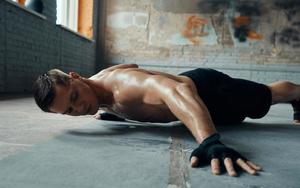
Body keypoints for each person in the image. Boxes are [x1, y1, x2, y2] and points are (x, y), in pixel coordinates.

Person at [33, 64, 300, 177]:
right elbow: (132, 64)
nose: (79, 108)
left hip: (212, 91)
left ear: (75, 76)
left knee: (270, 95)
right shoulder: (100, 89)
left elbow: (178, 91)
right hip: (196, 106)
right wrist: (108, 110)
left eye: (75, 96)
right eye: (69, 111)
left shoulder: (124, 87)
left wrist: (209, 140)